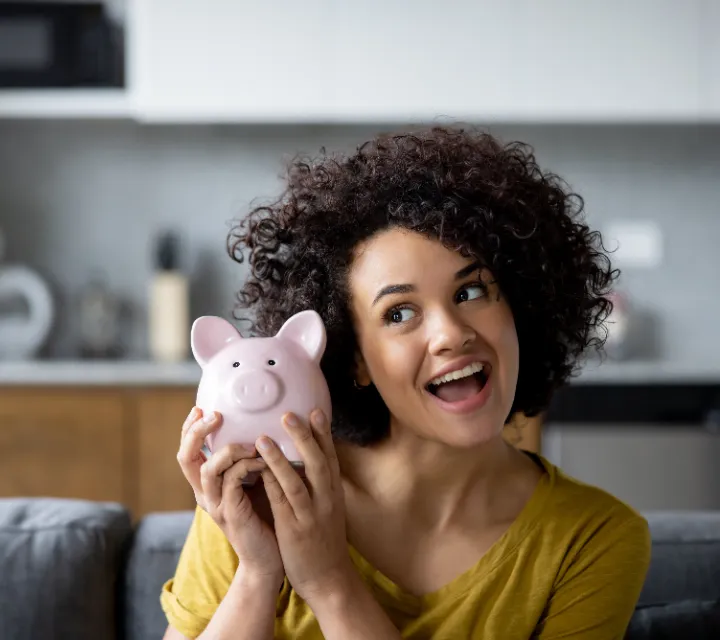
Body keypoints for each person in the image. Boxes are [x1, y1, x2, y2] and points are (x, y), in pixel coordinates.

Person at [160, 126, 651, 640]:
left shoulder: (593, 538)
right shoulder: (267, 489)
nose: (450, 335)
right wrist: (258, 573)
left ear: (521, 308)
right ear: (354, 359)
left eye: (471, 293)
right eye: (399, 313)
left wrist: (330, 583)